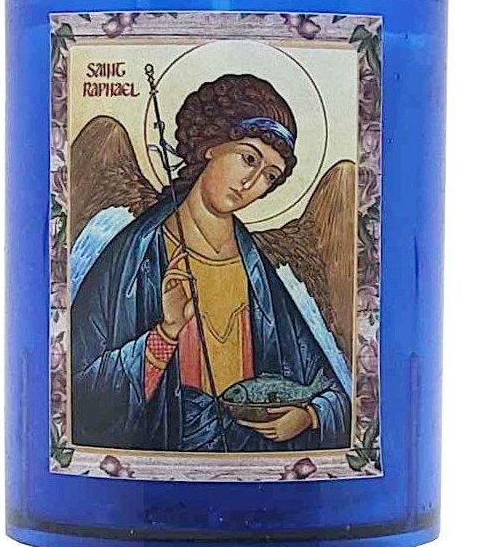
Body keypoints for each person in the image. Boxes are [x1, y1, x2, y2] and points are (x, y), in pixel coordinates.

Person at [70, 73, 351, 452]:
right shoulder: (134, 257)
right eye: (248, 158)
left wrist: (309, 415)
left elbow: (329, 387)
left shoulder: (260, 275)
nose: (251, 182)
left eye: (269, 176)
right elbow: (78, 396)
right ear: (211, 146)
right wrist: (165, 334)